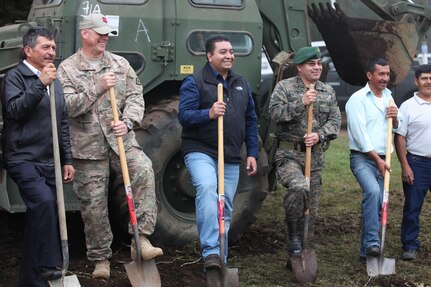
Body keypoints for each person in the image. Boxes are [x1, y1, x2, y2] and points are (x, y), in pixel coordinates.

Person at [57, 13, 162, 279]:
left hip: (120, 141)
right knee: (93, 205)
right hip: (88, 148)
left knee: (144, 171)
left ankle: (142, 240)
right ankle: (100, 258)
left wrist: (127, 122)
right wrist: (97, 87)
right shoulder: (67, 69)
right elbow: (67, 107)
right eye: (99, 32)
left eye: (107, 33)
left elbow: (137, 97)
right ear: (85, 33)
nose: (105, 37)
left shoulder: (120, 64)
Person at [1, 27, 75, 286]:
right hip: (22, 157)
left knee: (43, 214)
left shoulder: (55, 80)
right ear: (28, 50)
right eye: (45, 47)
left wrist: (67, 159)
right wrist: (39, 83)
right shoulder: (15, 77)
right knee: (44, 203)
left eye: (53, 48)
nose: (51, 52)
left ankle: (31, 280)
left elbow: (62, 122)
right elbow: (14, 111)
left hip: (49, 159)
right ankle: (49, 265)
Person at [178, 36, 258, 270]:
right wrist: (209, 114)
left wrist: (252, 152)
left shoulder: (241, 82)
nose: (229, 56)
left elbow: (251, 120)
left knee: (226, 205)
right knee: (207, 190)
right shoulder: (194, 82)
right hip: (201, 150)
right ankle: (211, 252)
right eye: (223, 52)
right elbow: (184, 116)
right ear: (209, 56)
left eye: (231, 52)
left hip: (231, 155)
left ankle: (219, 260)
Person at [268, 46, 341, 268]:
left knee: (311, 210)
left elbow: (335, 121)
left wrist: (319, 135)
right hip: (289, 154)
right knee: (299, 188)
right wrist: (302, 102)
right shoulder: (284, 88)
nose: (317, 67)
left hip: (314, 157)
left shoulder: (327, 91)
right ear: (299, 67)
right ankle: (293, 238)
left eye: (319, 63)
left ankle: (298, 255)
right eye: (311, 64)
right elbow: (274, 114)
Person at [346, 58, 402, 263]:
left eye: (387, 74)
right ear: (370, 75)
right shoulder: (357, 99)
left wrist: (395, 117)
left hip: (384, 157)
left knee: (379, 200)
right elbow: (360, 135)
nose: (385, 78)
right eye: (381, 74)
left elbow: (397, 126)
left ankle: (366, 254)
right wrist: (377, 160)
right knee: (373, 192)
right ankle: (372, 243)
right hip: (363, 158)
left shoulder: (388, 97)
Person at [394, 64, 431, 261]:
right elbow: (399, 137)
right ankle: (409, 244)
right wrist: (405, 165)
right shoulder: (408, 106)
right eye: (424, 78)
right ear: (416, 81)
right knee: (412, 207)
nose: (429, 82)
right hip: (417, 163)